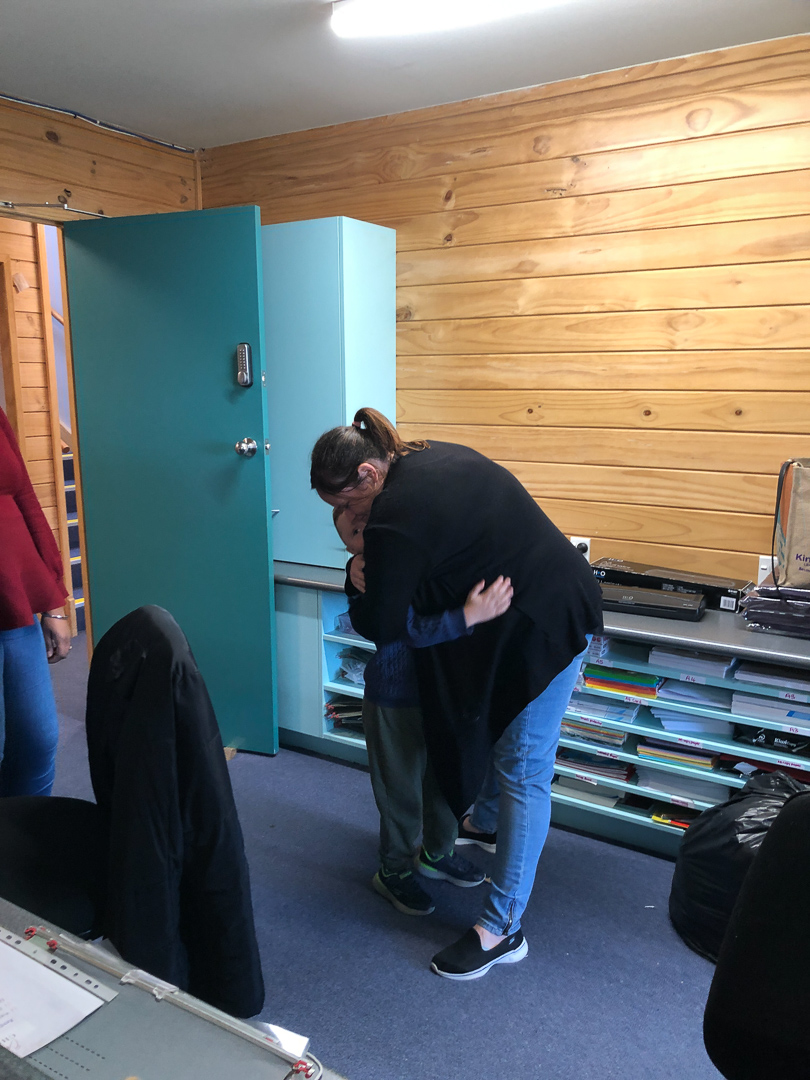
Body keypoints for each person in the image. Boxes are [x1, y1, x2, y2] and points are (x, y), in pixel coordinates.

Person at [311, 407, 602, 980]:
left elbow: (383, 623)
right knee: (482, 741)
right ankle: (484, 827)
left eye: (348, 504)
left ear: (368, 474)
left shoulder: (398, 511)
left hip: (542, 625)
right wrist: (360, 570)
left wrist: (361, 577)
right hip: (528, 614)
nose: (351, 518)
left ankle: (502, 928)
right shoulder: (421, 455)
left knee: (523, 769)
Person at [333, 507, 513, 915]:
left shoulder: (412, 554)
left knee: (444, 782)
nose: (368, 535)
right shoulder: (371, 574)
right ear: (349, 547)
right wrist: (470, 615)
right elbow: (406, 629)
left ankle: (437, 853)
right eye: (356, 532)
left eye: (369, 522)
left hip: (443, 696)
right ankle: (393, 869)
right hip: (394, 699)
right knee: (400, 794)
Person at [0, 405, 71, 796]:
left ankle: (27, 828)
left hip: (15, 601)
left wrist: (53, 602)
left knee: (37, 740)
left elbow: (24, 494)